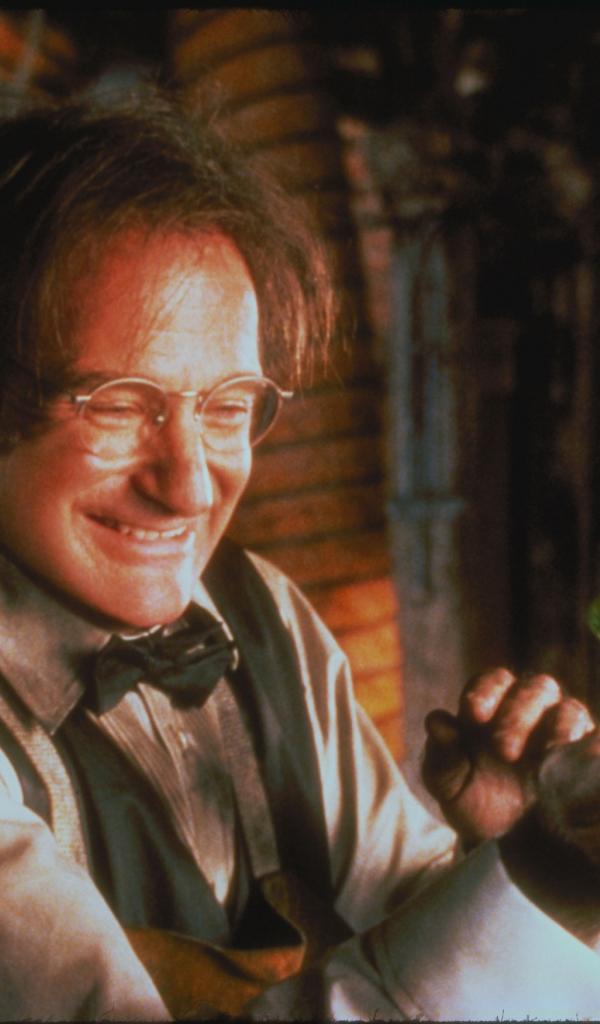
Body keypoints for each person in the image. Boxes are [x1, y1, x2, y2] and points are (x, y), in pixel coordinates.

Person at [0, 90, 598, 1022]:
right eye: (117, 405)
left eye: (228, 407)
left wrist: (498, 857)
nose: (190, 487)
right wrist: (541, 889)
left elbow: (408, 934)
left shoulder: (257, 610)